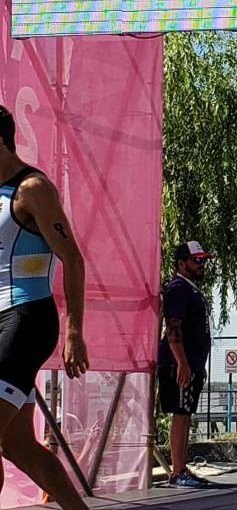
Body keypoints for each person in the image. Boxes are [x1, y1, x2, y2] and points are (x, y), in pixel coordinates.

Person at [0, 105, 90, 509]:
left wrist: (74, 331)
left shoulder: (32, 188)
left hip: (27, 318)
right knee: (16, 445)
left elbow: (72, 258)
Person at [157, 241, 213, 488]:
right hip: (178, 364)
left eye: (203, 260)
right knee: (180, 414)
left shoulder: (191, 289)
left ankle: (182, 467)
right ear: (182, 263)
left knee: (186, 413)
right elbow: (173, 327)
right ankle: (177, 471)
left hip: (192, 364)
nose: (202, 265)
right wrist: (182, 363)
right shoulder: (178, 288)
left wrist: (198, 365)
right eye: (196, 260)